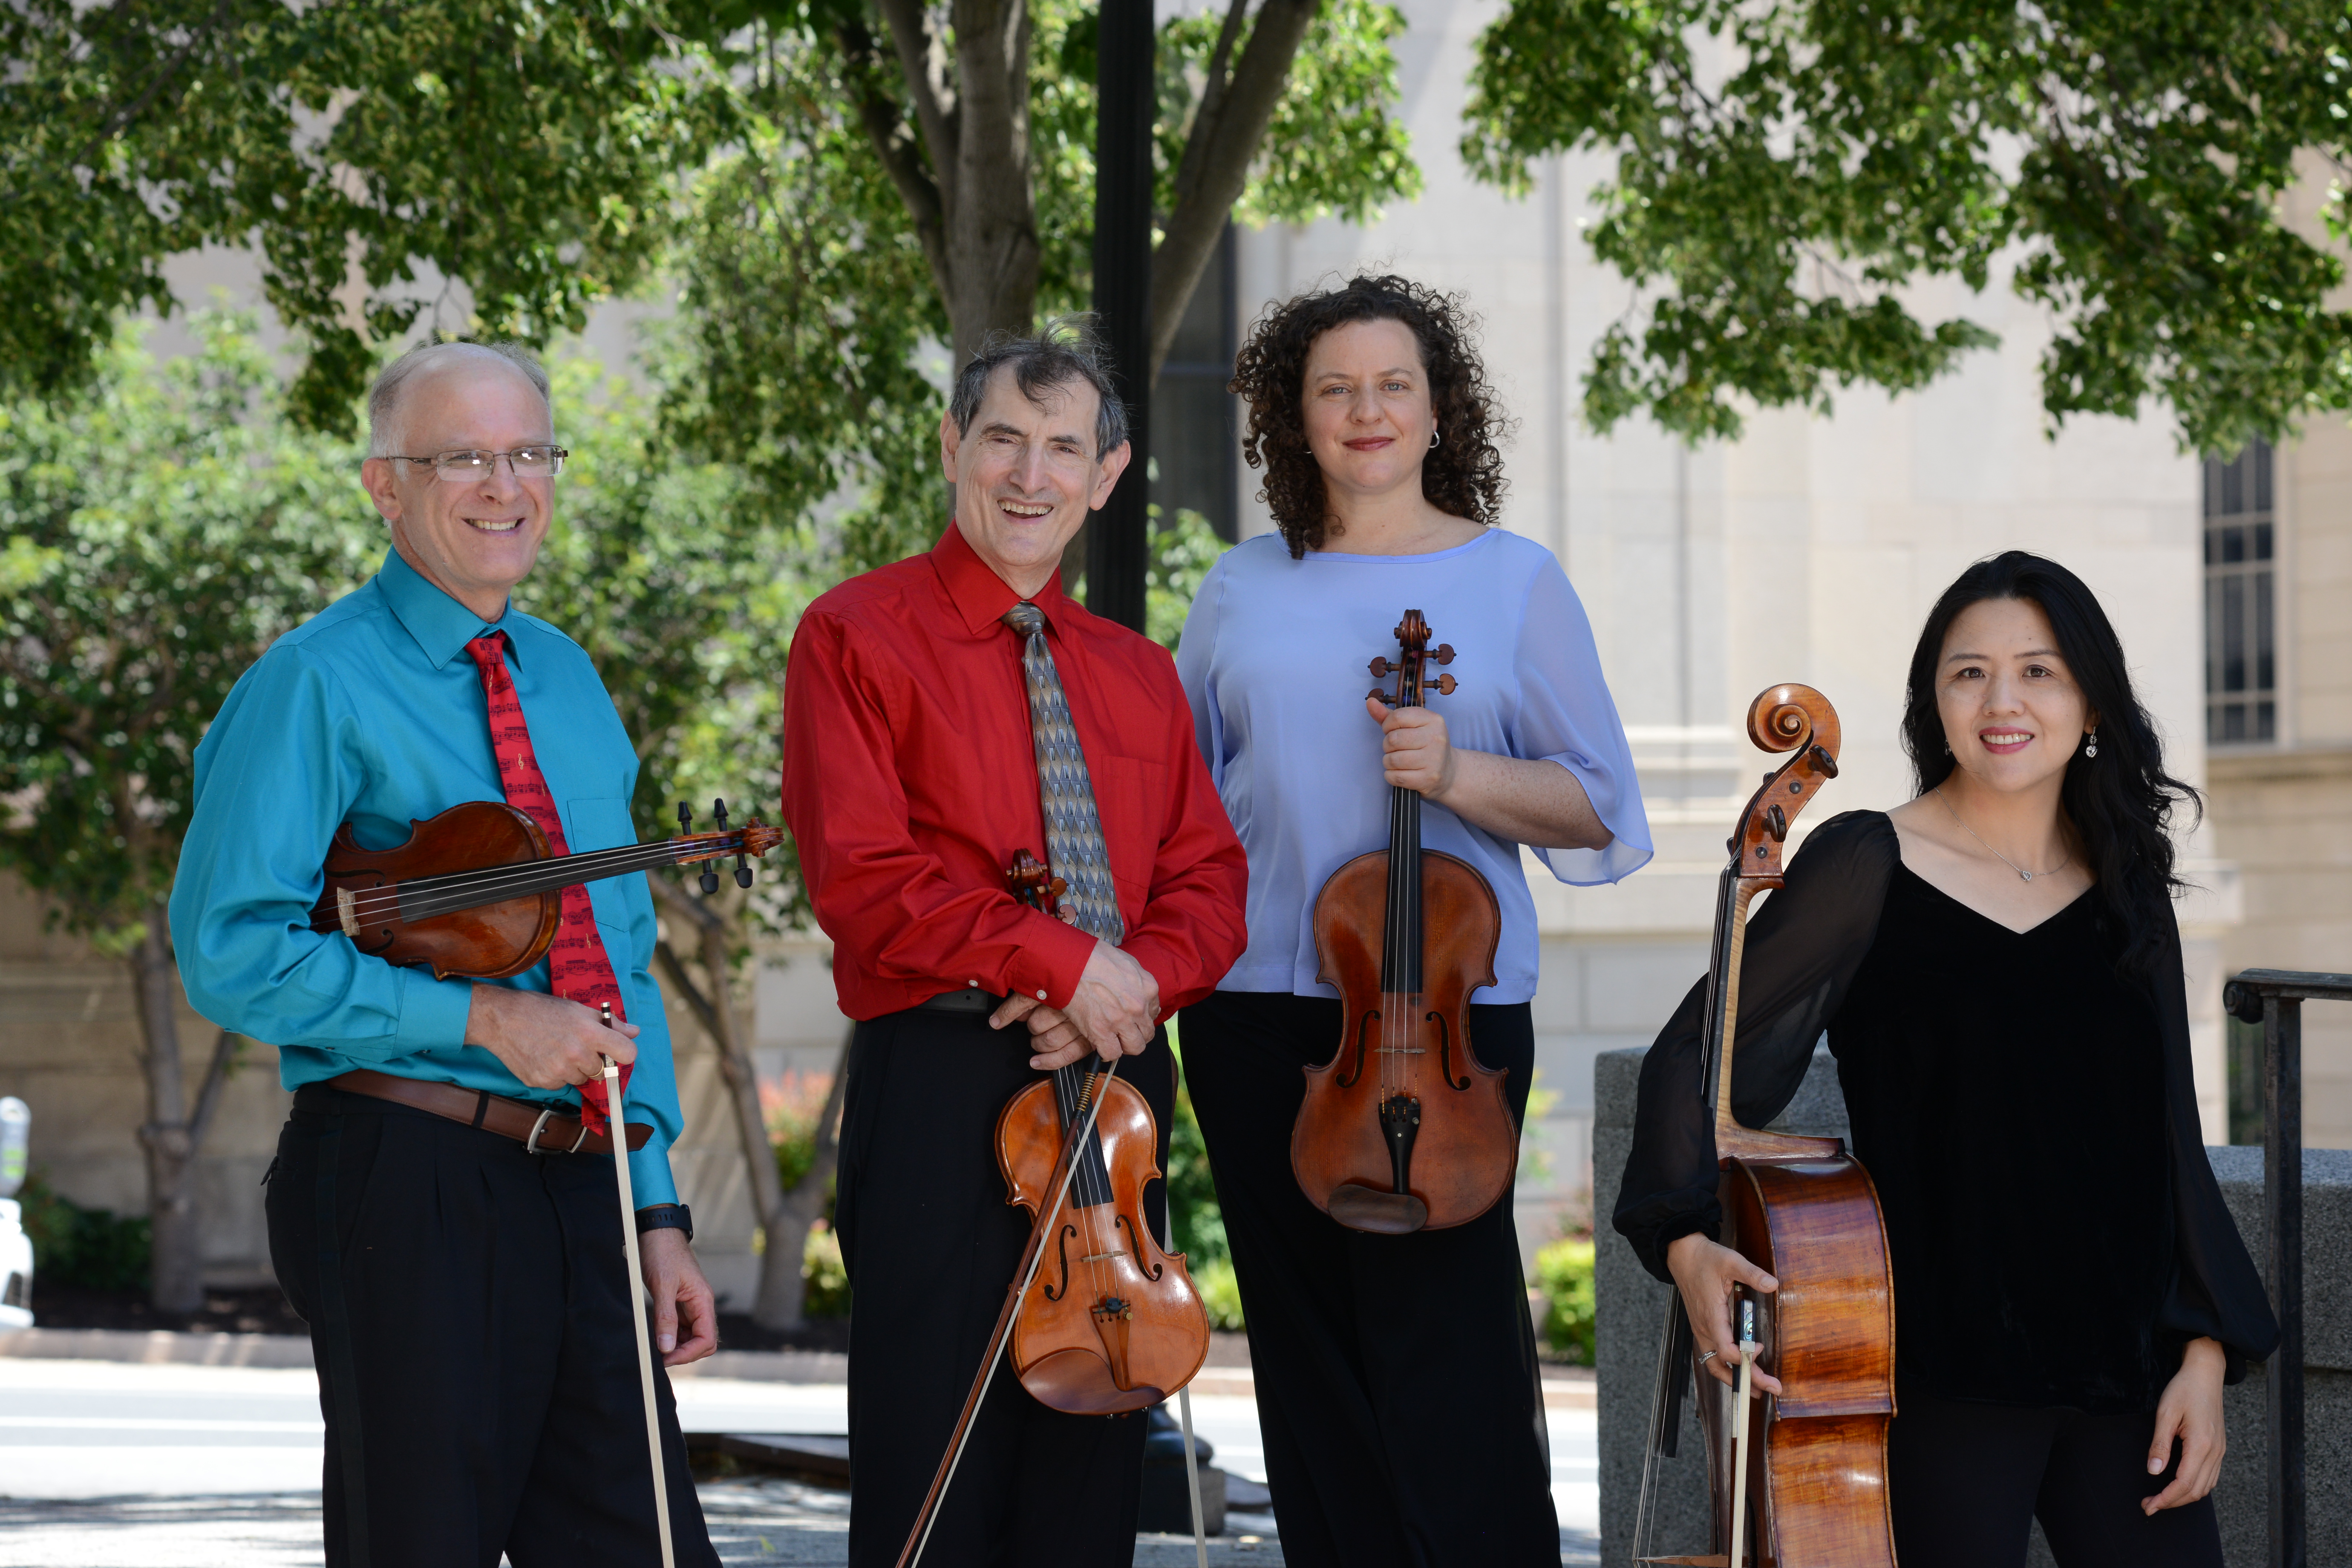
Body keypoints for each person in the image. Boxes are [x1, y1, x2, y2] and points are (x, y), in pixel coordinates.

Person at [1616, 551, 2280, 1568]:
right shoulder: (1865, 864)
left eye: (2038, 671)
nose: (2002, 700)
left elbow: (2169, 1141)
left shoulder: (2128, 886)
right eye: (1969, 671)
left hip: (2128, 1384)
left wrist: (2203, 1347)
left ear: (2092, 701)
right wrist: (1685, 1238)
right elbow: (1696, 1060)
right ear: (1936, 698)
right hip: (1937, 1384)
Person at [170, 341, 721, 1567]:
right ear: (384, 485)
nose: (503, 485)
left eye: (527, 453)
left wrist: (657, 1207)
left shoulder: (568, 679)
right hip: (404, 1174)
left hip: (581, 1177)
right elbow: (230, 954)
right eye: (461, 456)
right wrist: (478, 1023)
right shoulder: (312, 683)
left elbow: (613, 956)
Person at [1174, 274, 1654, 1566]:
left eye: (1393, 384)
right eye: (1333, 388)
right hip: (1259, 1017)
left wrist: (1459, 774)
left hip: (1448, 1018)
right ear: (1295, 417)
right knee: (1309, 1370)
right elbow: (1178, 807)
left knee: (1449, 1365)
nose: (1365, 411)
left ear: (1441, 411)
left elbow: (1601, 807)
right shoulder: (1241, 587)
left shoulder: (1514, 583)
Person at [778, 326, 1248, 1568]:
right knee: (935, 1463)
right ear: (951, 449)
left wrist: (1127, 984)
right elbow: (864, 878)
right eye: (1003, 440)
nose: (1030, 476)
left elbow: (1209, 877)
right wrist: (1065, 965)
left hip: (1114, 1091)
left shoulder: (1140, 675)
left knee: (1088, 1469)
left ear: (1108, 474)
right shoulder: (853, 635)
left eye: (1063, 448)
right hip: (944, 1079)